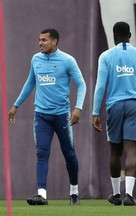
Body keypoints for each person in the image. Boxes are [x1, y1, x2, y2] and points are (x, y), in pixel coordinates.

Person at [8, 28, 86, 205]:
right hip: (41, 116)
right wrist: (15, 105)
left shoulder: (67, 60)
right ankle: (42, 194)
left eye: (44, 40)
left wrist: (78, 108)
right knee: (41, 153)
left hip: (62, 116)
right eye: (39, 40)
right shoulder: (36, 59)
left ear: (54, 42)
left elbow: (81, 85)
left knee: (69, 154)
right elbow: (30, 83)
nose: (40, 43)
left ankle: (74, 192)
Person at [92, 21, 136, 206]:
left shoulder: (106, 56)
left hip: (114, 106)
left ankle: (116, 195)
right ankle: (130, 195)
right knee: (132, 149)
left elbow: (100, 85)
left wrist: (95, 112)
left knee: (115, 151)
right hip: (134, 105)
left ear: (114, 36)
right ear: (130, 35)